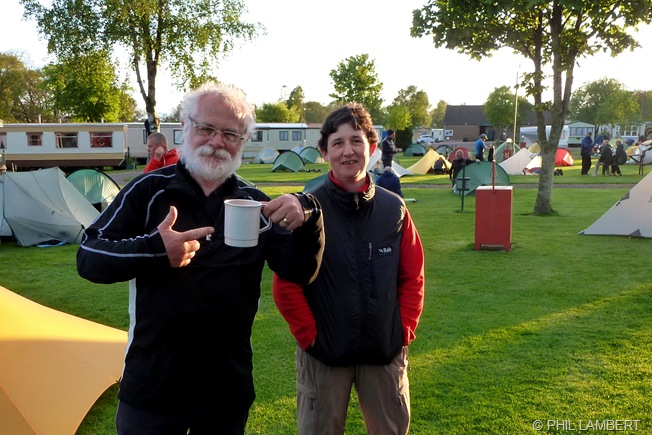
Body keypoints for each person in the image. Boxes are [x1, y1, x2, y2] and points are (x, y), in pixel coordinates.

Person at [76, 81, 325, 434]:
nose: (217, 141)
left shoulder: (255, 202)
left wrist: (311, 219)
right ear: (184, 127)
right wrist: (156, 249)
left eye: (230, 134)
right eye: (206, 128)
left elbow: (299, 271)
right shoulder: (149, 190)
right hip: (153, 386)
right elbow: (88, 256)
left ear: (242, 141)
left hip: (226, 389)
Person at [273, 103, 425, 435]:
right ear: (324, 152)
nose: (348, 151)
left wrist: (402, 331)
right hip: (324, 356)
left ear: (372, 146)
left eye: (356, 141)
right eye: (338, 143)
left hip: (384, 352)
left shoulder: (393, 209)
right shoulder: (306, 211)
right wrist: (311, 338)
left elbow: (412, 276)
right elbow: (286, 283)